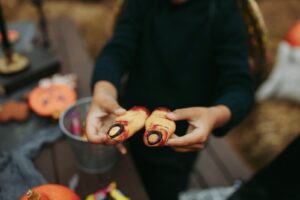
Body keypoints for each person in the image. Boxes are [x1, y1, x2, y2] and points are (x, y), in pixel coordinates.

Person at [86, 0, 255, 199]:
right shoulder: (140, 4)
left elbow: (240, 87)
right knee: (123, 184)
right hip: (129, 124)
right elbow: (117, 49)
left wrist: (215, 115)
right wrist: (104, 90)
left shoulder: (223, 11)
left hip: (178, 142)